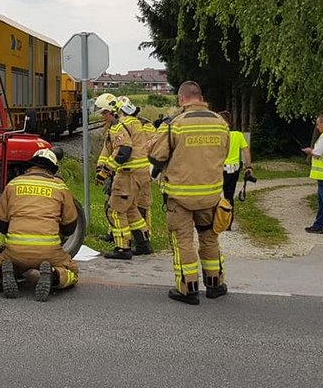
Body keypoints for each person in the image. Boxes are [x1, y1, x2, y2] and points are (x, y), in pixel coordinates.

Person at [148, 81, 229, 305]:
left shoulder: (175, 124)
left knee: (183, 241)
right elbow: (224, 153)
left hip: (179, 196)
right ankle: (215, 284)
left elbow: (156, 157)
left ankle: (188, 288)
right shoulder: (220, 123)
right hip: (210, 195)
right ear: (200, 97)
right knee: (209, 238)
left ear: (181, 99)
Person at [0, 148, 79, 301]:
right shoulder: (60, 187)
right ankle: (54, 275)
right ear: (52, 169)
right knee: (72, 272)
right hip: (49, 251)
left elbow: (0, 221)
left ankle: (3, 271)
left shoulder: (14, 184)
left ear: (32, 165)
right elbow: (70, 225)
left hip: (16, 249)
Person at [94, 93, 151, 260]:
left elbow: (124, 151)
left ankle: (122, 248)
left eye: (104, 113)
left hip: (128, 174)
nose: (103, 116)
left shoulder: (119, 127)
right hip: (141, 173)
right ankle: (143, 244)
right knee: (131, 208)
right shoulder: (135, 123)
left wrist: (105, 172)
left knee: (115, 210)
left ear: (112, 111)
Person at [219, 111, 253, 229]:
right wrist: (248, 167)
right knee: (229, 195)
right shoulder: (238, 135)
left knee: (215, 195)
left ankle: (217, 220)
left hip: (219, 169)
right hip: (233, 170)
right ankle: (228, 222)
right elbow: (246, 150)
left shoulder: (217, 135)